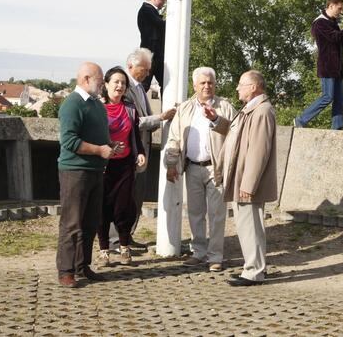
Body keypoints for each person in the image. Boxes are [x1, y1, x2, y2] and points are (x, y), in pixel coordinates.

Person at [204, 70, 277, 286]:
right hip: (241, 178)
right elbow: (235, 133)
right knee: (247, 225)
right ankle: (252, 268)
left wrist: (249, 184)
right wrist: (216, 120)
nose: (237, 88)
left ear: (253, 87)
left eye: (240, 84)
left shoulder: (262, 111)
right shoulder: (250, 109)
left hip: (247, 181)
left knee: (251, 225)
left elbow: (258, 151)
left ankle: (254, 272)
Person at [164, 67, 237, 272]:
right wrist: (171, 164)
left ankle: (215, 256)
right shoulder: (185, 108)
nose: (207, 86)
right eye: (203, 83)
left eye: (210, 82)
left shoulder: (225, 107)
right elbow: (175, 138)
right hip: (192, 167)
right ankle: (198, 252)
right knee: (195, 212)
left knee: (217, 214)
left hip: (216, 168)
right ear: (194, 86)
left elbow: (235, 135)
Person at [56, 62, 115, 288]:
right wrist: (100, 150)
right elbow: (69, 141)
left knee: (90, 222)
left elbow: (99, 135)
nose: (102, 85)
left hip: (95, 170)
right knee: (72, 223)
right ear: (86, 79)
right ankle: (66, 270)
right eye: (100, 81)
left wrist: (109, 144)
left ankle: (82, 266)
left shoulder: (96, 105)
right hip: (75, 171)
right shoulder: (72, 104)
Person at [121, 48, 176, 247]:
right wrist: (160, 118)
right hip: (129, 152)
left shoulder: (139, 88)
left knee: (137, 195)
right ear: (130, 66)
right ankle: (115, 239)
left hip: (141, 151)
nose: (147, 73)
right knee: (124, 196)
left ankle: (127, 236)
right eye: (143, 69)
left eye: (148, 69)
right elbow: (132, 121)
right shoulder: (125, 88)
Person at [95, 67, 146, 268]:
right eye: (115, 82)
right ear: (106, 84)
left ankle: (125, 248)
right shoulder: (97, 108)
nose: (119, 86)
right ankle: (104, 252)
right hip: (103, 165)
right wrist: (107, 148)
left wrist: (140, 152)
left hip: (125, 166)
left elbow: (135, 134)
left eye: (123, 83)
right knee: (102, 209)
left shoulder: (130, 108)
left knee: (124, 207)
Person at [294, 0, 343, 130]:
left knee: (339, 101)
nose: (341, 12)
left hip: (337, 67)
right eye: (339, 8)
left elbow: (341, 42)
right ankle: (300, 120)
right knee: (327, 97)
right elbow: (334, 37)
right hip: (327, 66)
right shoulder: (320, 23)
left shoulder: (332, 22)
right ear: (331, 6)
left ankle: (337, 128)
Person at [137, 0, 167, 92]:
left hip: (155, 55)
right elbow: (160, 25)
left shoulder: (149, 11)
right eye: (162, 0)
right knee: (143, 85)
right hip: (151, 54)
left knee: (165, 83)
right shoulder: (146, 9)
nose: (163, 3)